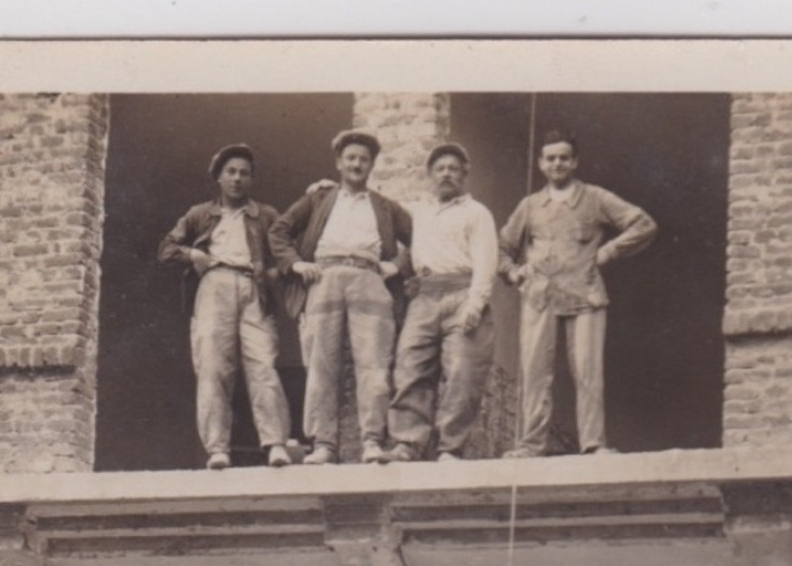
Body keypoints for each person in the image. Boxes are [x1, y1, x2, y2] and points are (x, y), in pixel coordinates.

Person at [497, 130, 657, 457]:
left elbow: (643, 224)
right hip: (539, 297)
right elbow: (502, 247)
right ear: (541, 163)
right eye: (551, 158)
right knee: (534, 372)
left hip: (585, 296)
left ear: (575, 161)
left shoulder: (595, 198)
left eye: (564, 157)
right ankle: (531, 444)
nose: (558, 163)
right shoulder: (529, 206)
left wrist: (609, 251)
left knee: (588, 372)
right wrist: (513, 273)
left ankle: (593, 443)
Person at [268, 130, 412, 465]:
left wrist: (397, 265)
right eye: (351, 158)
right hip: (325, 277)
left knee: (373, 364)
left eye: (363, 159)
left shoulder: (384, 207)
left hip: (369, 279)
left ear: (372, 165)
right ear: (339, 162)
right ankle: (323, 444)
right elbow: (279, 230)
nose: (357, 164)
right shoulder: (319, 199)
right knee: (320, 364)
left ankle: (373, 441)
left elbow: (422, 236)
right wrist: (296, 264)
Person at [158, 143, 294, 470]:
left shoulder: (266, 215)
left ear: (252, 180)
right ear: (218, 177)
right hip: (214, 285)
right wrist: (194, 255)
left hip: (252, 288)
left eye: (244, 173)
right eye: (230, 172)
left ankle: (275, 443)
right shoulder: (200, 214)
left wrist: (274, 273)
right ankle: (217, 448)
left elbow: (289, 249)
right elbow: (165, 249)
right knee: (213, 366)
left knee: (263, 364)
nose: (237, 179)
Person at [385, 143, 499, 462]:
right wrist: (324, 190)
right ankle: (407, 443)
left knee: (462, 373)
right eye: (440, 168)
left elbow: (486, 261)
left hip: (462, 291)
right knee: (410, 366)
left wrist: (475, 304)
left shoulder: (477, 213)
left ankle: (450, 447)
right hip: (424, 295)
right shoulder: (418, 211)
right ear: (430, 175)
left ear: (464, 174)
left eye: (453, 168)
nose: (446, 173)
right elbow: (376, 206)